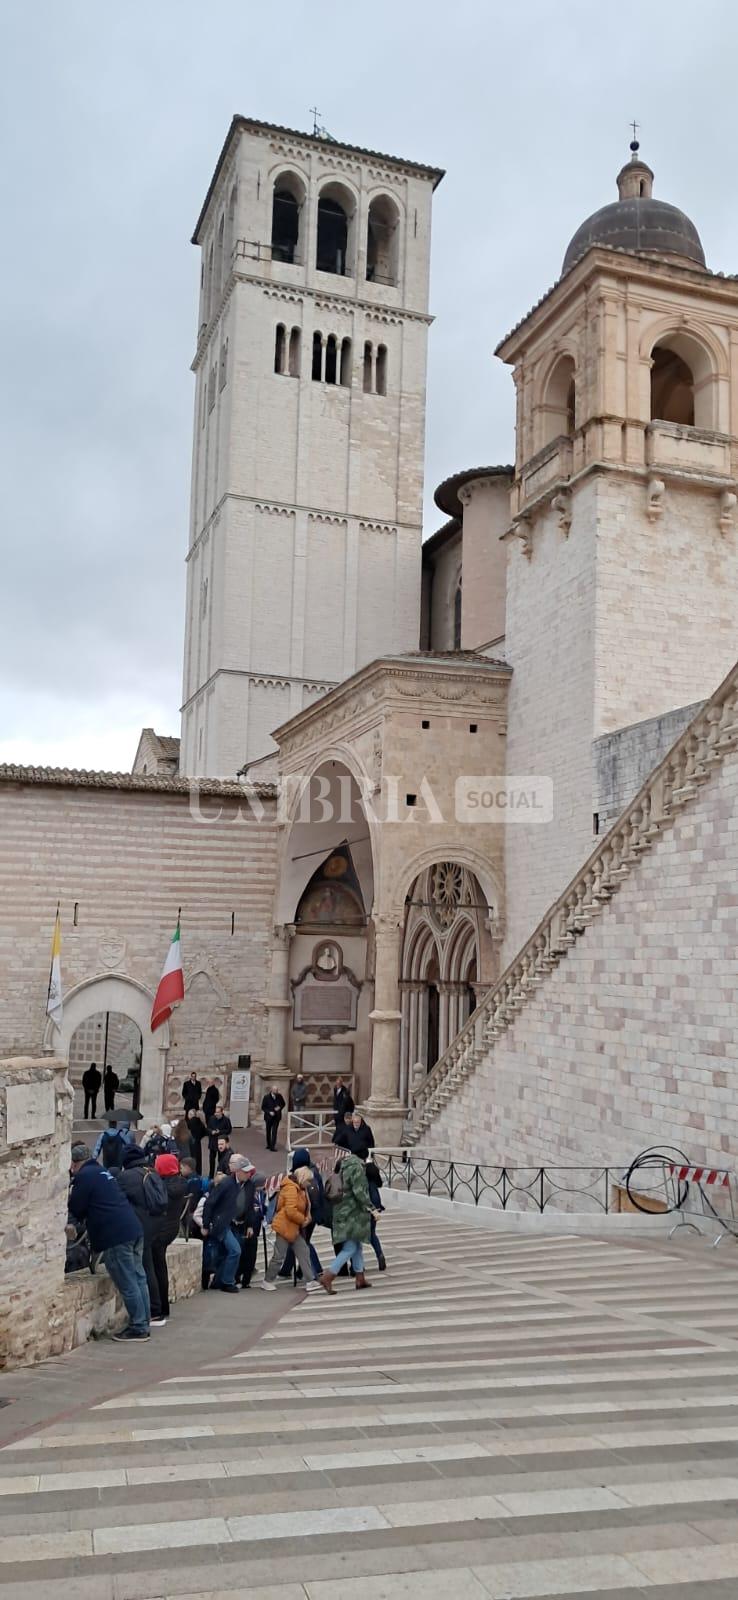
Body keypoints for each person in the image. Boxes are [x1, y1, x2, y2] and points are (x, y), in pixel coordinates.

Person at [68, 1142, 150, 1339]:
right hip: (133, 1228)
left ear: (75, 1163)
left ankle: (139, 1327)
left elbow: (76, 1206)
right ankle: (145, 1320)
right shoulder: (103, 1172)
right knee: (139, 1278)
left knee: (127, 1281)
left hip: (115, 1235)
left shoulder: (84, 1176)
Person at [113, 1143, 168, 1325]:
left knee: (143, 1269)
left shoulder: (126, 1177)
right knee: (150, 1267)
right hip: (155, 1223)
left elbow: (116, 1200)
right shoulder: (151, 1172)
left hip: (138, 1225)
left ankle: (152, 1310)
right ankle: (157, 1309)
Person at [319, 1151, 373, 1293]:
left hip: (342, 1211)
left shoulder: (344, 1164)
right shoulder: (357, 1167)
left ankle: (360, 1277)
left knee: (357, 1245)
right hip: (352, 1213)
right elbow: (359, 1191)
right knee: (350, 1248)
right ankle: (328, 1276)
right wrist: (370, 1207)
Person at [260, 1166, 320, 1291]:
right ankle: (267, 1280)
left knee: (303, 1251)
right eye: (308, 1180)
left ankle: (310, 1280)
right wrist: (303, 1220)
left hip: (291, 1226)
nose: (309, 1184)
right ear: (303, 1178)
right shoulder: (292, 1188)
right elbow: (290, 1210)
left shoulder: (297, 1188)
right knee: (279, 1256)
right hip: (285, 1226)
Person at [200, 1154, 254, 1292]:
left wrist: (248, 1224)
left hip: (231, 1224)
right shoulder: (227, 1184)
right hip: (222, 1224)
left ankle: (219, 1281)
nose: (249, 1174)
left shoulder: (241, 1184)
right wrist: (206, 1225)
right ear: (238, 1171)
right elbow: (210, 1203)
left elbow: (247, 1206)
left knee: (228, 1253)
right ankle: (227, 1282)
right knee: (235, 1250)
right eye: (246, 1171)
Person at [149, 1154, 189, 1322]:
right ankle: (163, 1307)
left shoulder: (163, 1187)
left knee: (156, 1269)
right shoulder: (179, 1184)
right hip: (171, 1229)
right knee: (160, 1268)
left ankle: (158, 1309)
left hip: (160, 1231)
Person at [277, 1147, 325, 1281]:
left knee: (302, 1242)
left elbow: (305, 1197)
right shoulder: (314, 1172)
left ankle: (316, 1271)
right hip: (312, 1215)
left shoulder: (303, 1174)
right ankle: (290, 1270)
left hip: (305, 1215)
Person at [233, 1165, 264, 1288]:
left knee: (251, 1257)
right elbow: (249, 1211)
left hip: (255, 1230)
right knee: (243, 1255)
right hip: (245, 1228)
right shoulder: (248, 1195)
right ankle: (237, 1278)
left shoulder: (259, 1196)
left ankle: (246, 1280)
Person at [365, 1159, 387, 1272]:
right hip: (376, 1209)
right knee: (372, 1234)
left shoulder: (364, 1182)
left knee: (357, 1237)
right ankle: (380, 1254)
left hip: (367, 1210)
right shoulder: (374, 1183)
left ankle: (357, 1266)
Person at [206, 1103, 233, 1179]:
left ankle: (221, 1175)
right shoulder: (211, 1118)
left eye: (218, 1112)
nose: (216, 1114)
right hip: (213, 1142)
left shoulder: (226, 1120)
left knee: (221, 1160)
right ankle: (211, 1175)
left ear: (222, 1112)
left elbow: (229, 1130)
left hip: (222, 1143)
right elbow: (208, 1128)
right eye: (215, 1112)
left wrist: (220, 1132)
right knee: (211, 1159)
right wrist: (211, 1131)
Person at [261, 1084, 285, 1152]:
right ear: (271, 1090)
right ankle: (268, 1144)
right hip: (268, 1117)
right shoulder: (266, 1097)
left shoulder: (279, 1096)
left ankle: (272, 1146)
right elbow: (263, 1107)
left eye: (277, 1090)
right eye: (274, 1090)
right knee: (268, 1131)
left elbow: (283, 1104)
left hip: (276, 1117)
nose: (276, 1091)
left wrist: (279, 1107)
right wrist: (269, 1112)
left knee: (274, 1132)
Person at [185, 1106, 209, 1175]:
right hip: (198, 1142)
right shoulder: (200, 1122)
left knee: (192, 1157)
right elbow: (205, 1132)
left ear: (191, 1115)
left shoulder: (189, 1123)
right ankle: (198, 1173)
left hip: (191, 1143)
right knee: (198, 1158)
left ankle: (192, 1172)